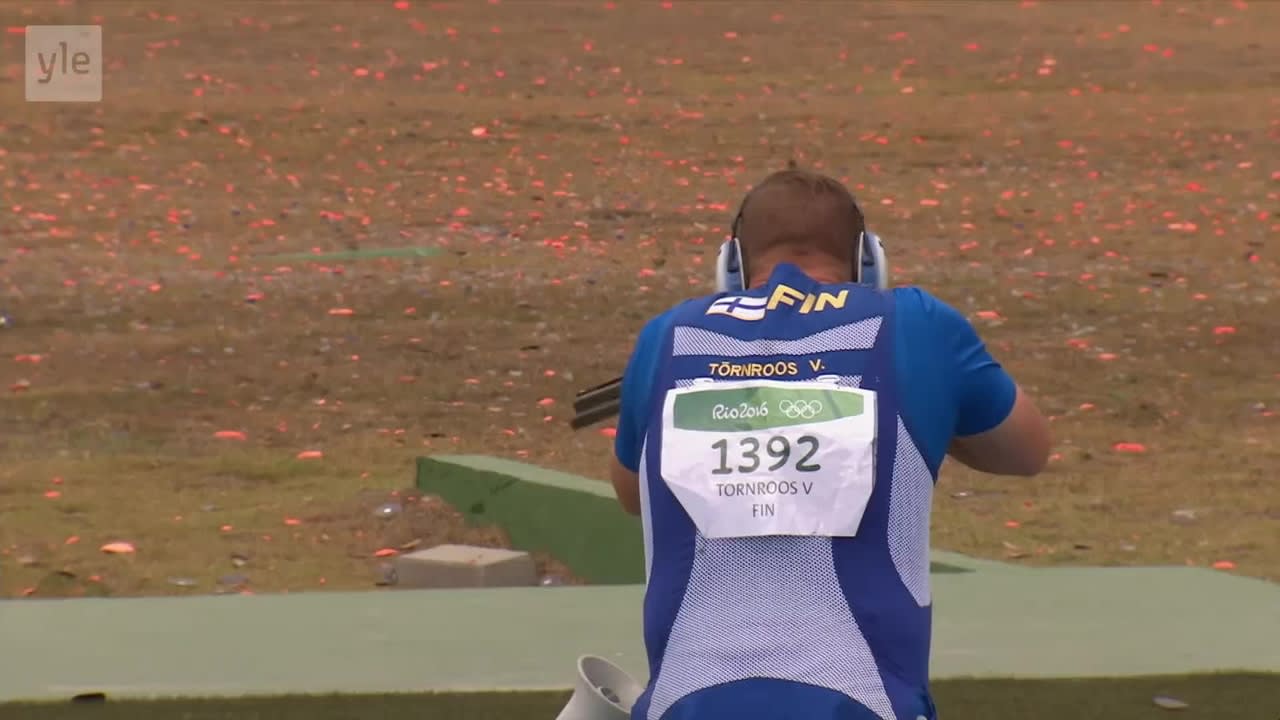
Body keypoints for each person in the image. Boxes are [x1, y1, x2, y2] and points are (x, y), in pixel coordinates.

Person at [607, 168, 1051, 720]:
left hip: (684, 704)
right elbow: (1027, 450)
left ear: (730, 264)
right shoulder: (918, 323)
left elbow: (631, 491)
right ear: (871, 261)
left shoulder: (667, 335)